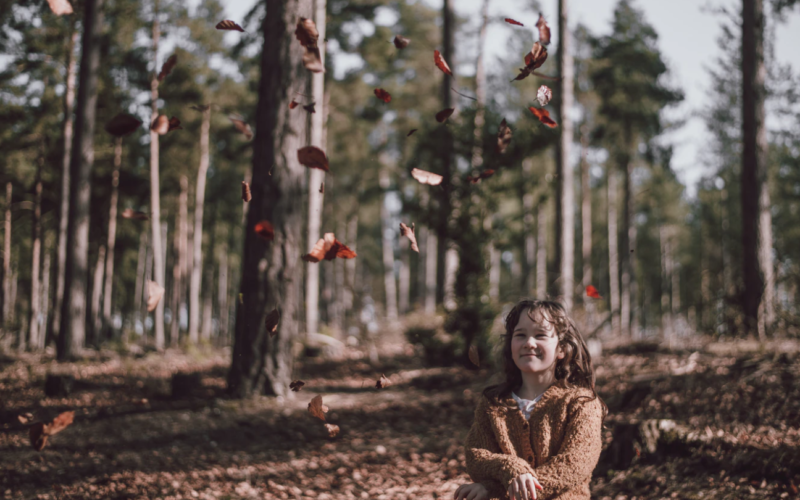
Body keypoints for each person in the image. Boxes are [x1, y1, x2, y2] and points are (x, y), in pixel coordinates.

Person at [454, 299, 607, 500]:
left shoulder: (581, 402)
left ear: (562, 349)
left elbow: (575, 464)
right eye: (520, 335)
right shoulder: (494, 403)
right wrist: (512, 469)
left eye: (540, 335)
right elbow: (477, 456)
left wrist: (497, 489)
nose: (529, 343)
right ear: (511, 345)